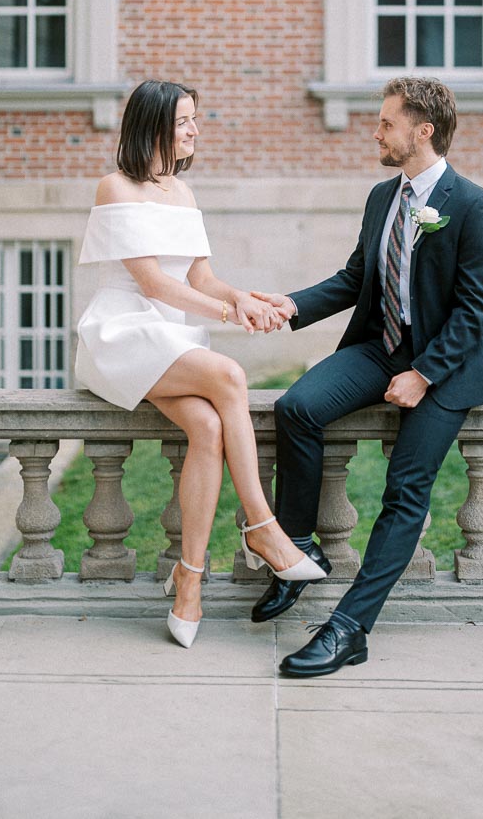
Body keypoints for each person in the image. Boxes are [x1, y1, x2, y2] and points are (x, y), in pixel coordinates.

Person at [251, 76, 483, 677]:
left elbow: (476, 310)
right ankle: (297, 550)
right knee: (297, 408)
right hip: (378, 347)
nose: (377, 131)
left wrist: (423, 373)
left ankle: (349, 627)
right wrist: (291, 305)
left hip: (446, 367)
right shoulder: (379, 197)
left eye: (387, 123)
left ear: (424, 131)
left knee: (404, 489)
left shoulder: (474, 205)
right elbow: (354, 277)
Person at [75, 79, 326, 648]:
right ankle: (263, 528)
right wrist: (224, 313)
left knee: (208, 425)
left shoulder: (183, 196)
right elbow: (151, 281)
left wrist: (242, 299)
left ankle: (189, 580)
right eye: (184, 120)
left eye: (195, 120)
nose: (194, 130)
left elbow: (200, 278)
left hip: (171, 335)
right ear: (153, 126)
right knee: (231, 375)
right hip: (123, 331)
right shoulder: (115, 187)